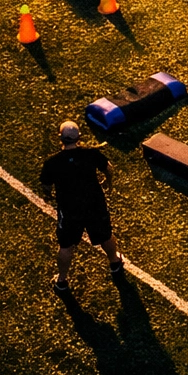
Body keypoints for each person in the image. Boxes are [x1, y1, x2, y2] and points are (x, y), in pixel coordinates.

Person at [41, 120, 123, 295]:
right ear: (79, 137)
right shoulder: (91, 154)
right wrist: (108, 183)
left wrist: (48, 196)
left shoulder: (52, 162)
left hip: (70, 211)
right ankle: (115, 262)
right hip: (94, 205)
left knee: (66, 246)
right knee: (105, 236)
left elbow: (46, 186)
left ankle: (62, 280)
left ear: (60, 138)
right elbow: (109, 168)